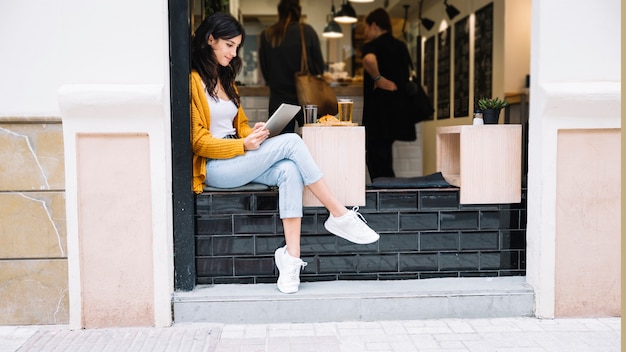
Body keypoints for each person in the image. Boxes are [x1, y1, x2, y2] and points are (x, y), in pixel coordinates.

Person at [190, 12, 379, 294]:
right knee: (291, 142)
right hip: (216, 166)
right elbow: (197, 140)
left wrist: (251, 133)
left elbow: (238, 126)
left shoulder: (225, 80)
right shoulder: (193, 81)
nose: (234, 53)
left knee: (290, 170)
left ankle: (290, 260)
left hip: (236, 156)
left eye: (237, 47)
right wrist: (243, 145)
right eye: (229, 45)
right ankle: (339, 214)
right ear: (210, 40)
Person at [361, 8, 415, 180]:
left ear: (374, 25)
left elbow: (369, 59)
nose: (365, 32)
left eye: (366, 27)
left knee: (375, 157)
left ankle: (386, 196)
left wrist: (378, 78)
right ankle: (389, 193)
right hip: (397, 110)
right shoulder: (401, 46)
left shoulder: (372, 46)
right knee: (384, 156)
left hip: (378, 111)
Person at [259, 0, 324, 133]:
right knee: (309, 147)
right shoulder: (307, 32)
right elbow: (319, 68)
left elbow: (266, 72)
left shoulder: (268, 34)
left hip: (279, 102)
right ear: (298, 11)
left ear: (280, 11)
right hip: (306, 101)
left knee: (280, 148)